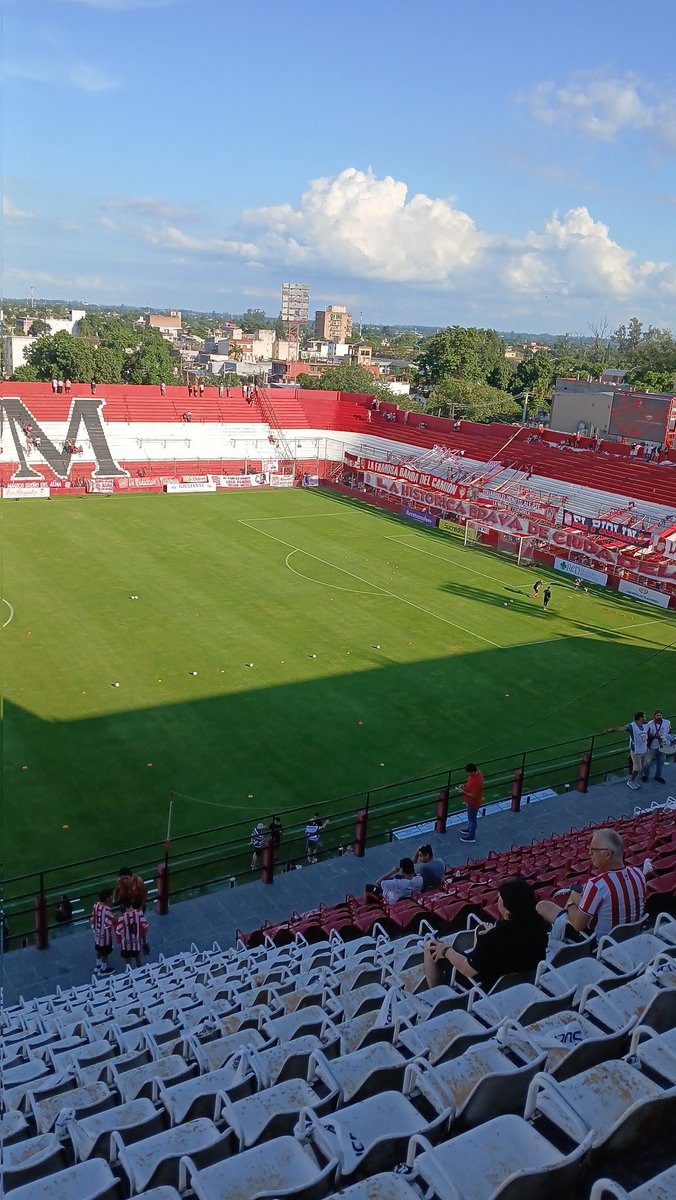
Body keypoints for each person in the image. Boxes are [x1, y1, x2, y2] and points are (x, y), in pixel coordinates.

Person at [424, 877, 548, 993]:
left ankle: (436, 993)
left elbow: (467, 969)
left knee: (431, 946)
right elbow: (513, 940)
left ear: (509, 907)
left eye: (500, 897)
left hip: (485, 986)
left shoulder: (494, 937)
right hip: (522, 979)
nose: (498, 900)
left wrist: (445, 949)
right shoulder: (540, 924)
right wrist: (491, 933)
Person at [536, 829, 647, 941]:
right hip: (630, 937)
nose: (589, 853)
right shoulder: (638, 873)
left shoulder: (597, 885)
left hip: (601, 944)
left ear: (607, 854)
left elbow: (578, 925)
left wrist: (571, 901)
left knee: (542, 906)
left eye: (593, 850)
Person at [605, 711, 648, 790]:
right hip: (636, 751)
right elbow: (622, 728)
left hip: (643, 750)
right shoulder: (632, 726)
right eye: (644, 717)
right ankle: (630, 781)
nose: (646, 718)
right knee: (637, 768)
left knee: (640, 767)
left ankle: (633, 780)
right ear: (640, 718)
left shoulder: (644, 725)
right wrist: (612, 729)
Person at [116, 899, 149, 969]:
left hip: (126, 943)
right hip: (136, 941)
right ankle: (139, 969)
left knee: (128, 958)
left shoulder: (122, 918)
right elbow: (145, 925)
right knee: (137, 956)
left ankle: (129, 972)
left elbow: (118, 931)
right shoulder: (138, 914)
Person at [457, 762, 484, 844]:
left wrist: (463, 791)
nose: (467, 774)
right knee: (471, 818)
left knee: (472, 819)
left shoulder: (477, 781)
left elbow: (474, 795)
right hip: (471, 801)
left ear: (472, 771)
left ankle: (471, 836)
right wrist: (464, 786)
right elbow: (469, 783)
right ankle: (469, 829)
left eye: (468, 772)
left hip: (473, 802)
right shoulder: (476, 774)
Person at [91, 888, 115, 974]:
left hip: (97, 934)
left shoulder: (96, 905)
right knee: (105, 953)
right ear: (107, 898)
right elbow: (110, 921)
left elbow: (93, 917)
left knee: (98, 949)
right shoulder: (107, 909)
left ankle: (98, 965)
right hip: (105, 936)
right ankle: (103, 969)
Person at [643, 709, 671, 784]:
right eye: (657, 715)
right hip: (653, 746)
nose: (659, 716)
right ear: (654, 716)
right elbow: (647, 734)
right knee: (647, 762)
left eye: (660, 715)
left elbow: (669, 731)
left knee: (661, 762)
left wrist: (666, 738)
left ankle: (658, 776)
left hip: (663, 745)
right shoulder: (650, 724)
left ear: (662, 716)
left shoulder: (667, 722)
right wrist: (655, 736)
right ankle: (645, 775)